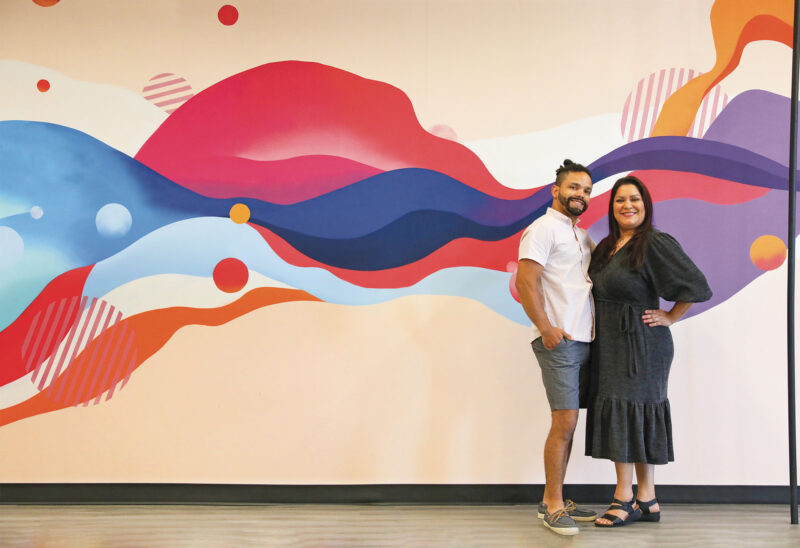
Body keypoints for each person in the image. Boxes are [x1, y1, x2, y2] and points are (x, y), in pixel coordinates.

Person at [585, 175, 711, 527]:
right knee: (627, 413)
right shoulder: (608, 245)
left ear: (646, 204)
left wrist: (671, 315)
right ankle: (648, 498)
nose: (628, 205)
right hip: (611, 341)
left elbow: (697, 285)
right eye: (620, 200)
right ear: (612, 207)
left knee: (629, 412)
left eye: (635, 199)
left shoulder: (654, 242)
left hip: (641, 344)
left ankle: (624, 496)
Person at [515, 159, 598, 536]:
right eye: (574, 188)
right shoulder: (543, 229)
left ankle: (558, 497)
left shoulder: (581, 235)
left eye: (586, 190)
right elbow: (526, 282)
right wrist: (546, 329)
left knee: (570, 422)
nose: (580, 194)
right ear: (556, 190)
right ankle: (551, 505)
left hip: (584, 341)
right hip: (559, 341)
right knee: (563, 422)